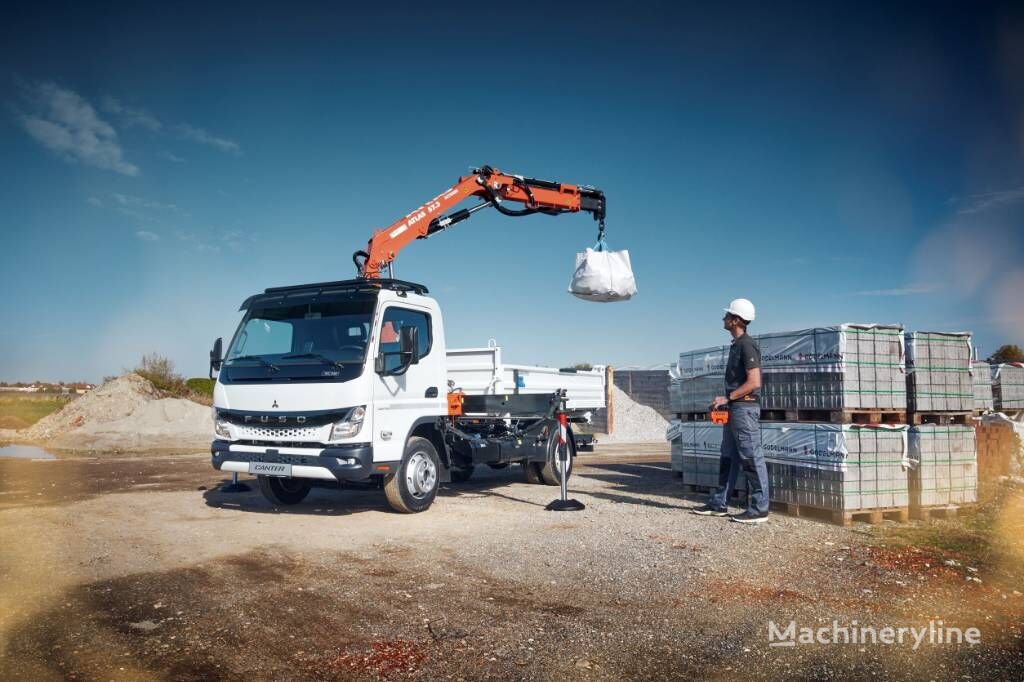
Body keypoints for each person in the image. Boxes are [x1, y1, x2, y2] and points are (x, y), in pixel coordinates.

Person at [692, 298, 770, 524]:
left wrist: (728, 397)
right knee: (728, 456)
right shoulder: (736, 344)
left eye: (727, 315)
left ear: (736, 320)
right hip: (735, 409)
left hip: (745, 411)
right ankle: (719, 503)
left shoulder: (747, 344)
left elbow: (755, 381)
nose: (723, 318)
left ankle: (759, 509)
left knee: (751, 457)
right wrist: (725, 401)